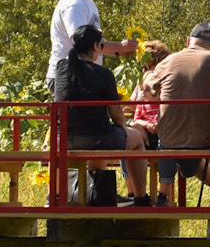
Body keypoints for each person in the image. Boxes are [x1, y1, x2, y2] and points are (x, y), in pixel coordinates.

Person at [138, 23, 210, 205]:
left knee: (181, 150)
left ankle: (166, 196)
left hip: (169, 139)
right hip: (209, 139)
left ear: (188, 41)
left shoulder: (166, 62)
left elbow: (147, 92)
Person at [50, 23, 147, 204]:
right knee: (136, 140)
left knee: (100, 139)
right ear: (95, 47)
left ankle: (54, 197)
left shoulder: (61, 68)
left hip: (61, 139)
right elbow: (117, 113)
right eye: (101, 45)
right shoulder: (103, 73)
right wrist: (122, 131)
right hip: (96, 139)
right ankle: (141, 198)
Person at [45, 0, 139, 81]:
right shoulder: (73, 4)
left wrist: (120, 52)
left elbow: (96, 47)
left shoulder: (87, 2)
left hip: (81, 76)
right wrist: (120, 46)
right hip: (69, 78)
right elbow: (84, 44)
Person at [127, 40, 171, 150]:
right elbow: (128, 107)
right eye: (144, 67)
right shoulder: (142, 83)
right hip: (144, 131)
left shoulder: (167, 82)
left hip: (163, 129)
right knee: (127, 139)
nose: (146, 71)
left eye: (148, 66)